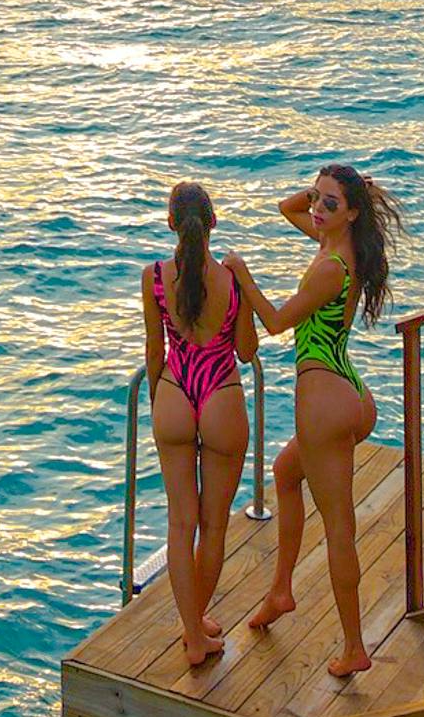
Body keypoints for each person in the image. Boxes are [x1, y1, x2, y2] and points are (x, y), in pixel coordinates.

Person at [244, 160, 406, 678]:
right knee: (286, 474)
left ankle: (355, 647)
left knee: (339, 528)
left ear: (351, 214)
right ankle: (281, 591)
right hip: (350, 393)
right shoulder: (344, 249)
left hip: (324, 402)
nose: (313, 209)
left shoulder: (327, 268)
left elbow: (272, 323)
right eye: (316, 199)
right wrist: (331, 193)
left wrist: (239, 271)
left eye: (328, 204)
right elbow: (287, 208)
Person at [141, 179, 258, 675]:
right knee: (213, 525)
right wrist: (246, 289)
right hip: (220, 392)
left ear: (172, 223)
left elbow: (155, 351)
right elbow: (247, 351)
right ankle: (195, 630)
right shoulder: (231, 278)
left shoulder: (153, 277)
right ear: (213, 223)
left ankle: (193, 629)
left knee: (179, 523)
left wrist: (157, 402)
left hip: (174, 390)